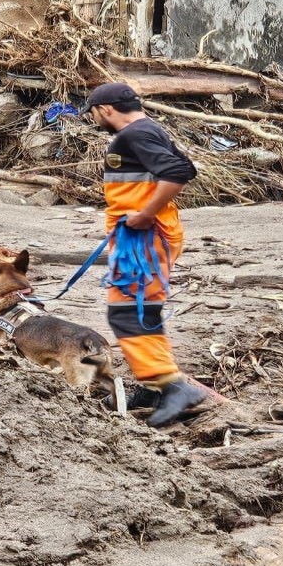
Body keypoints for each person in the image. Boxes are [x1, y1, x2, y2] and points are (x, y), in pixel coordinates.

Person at [85, 82, 210, 427]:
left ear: (106, 109)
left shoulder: (133, 135)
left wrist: (145, 214)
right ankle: (154, 388)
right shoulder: (150, 129)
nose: (94, 118)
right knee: (142, 309)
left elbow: (178, 173)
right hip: (142, 236)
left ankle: (171, 386)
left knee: (127, 313)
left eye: (93, 112)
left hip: (142, 239)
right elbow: (187, 166)